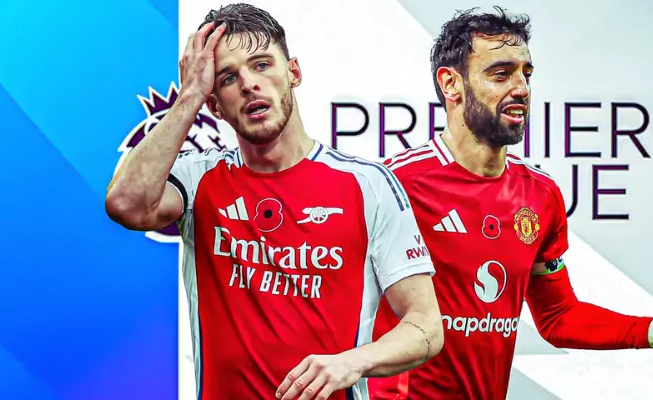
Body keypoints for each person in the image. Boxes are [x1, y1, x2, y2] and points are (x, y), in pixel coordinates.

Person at [368, 6, 653, 400]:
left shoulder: (539, 194)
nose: (521, 88)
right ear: (451, 83)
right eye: (501, 74)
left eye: (526, 74)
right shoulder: (392, 187)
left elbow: (558, 317)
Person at [104, 4, 444, 399]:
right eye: (228, 78)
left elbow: (426, 327)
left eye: (262, 64)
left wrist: (352, 362)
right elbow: (126, 204)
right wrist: (191, 95)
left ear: (293, 72)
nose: (249, 84)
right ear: (215, 106)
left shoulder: (368, 185)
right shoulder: (198, 178)